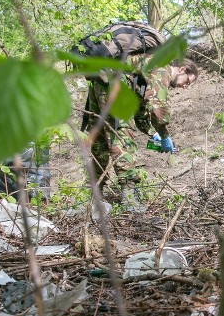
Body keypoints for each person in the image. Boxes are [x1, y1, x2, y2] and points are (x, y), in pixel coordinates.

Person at [83, 59, 198, 211]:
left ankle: (93, 196)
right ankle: (129, 199)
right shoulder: (162, 69)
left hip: (101, 80)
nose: (185, 86)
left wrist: (153, 133)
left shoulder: (145, 67)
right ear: (182, 69)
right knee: (123, 140)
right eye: (187, 82)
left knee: (100, 143)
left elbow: (141, 111)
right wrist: (164, 135)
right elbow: (159, 107)